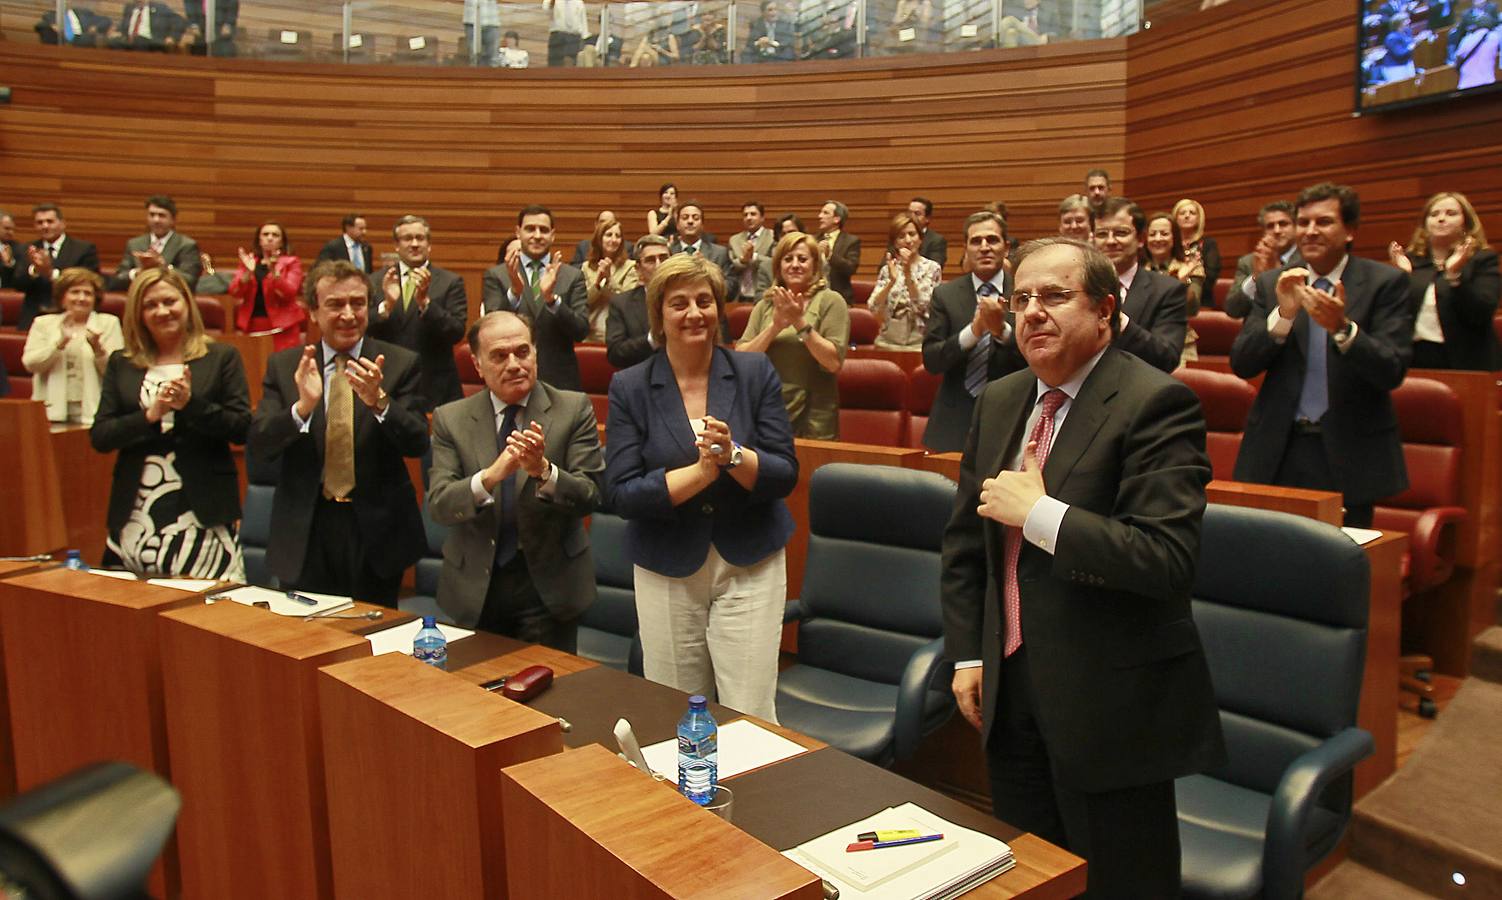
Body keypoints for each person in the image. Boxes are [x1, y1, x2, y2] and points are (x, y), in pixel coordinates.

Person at [941, 237, 1224, 898]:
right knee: (1034, 878)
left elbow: (1166, 559)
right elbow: (964, 547)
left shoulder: (1157, 402)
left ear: (1105, 312)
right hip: (1006, 694)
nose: (1033, 312)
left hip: (1109, 707)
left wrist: (1042, 516)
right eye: (1021, 299)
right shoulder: (1002, 399)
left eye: (1055, 296)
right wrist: (968, 656)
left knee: (1122, 885)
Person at [604, 254, 798, 721]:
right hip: (667, 564)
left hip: (749, 561)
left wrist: (732, 456)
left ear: (719, 308)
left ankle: (756, 795)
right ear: (659, 315)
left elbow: (784, 473)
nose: (694, 313)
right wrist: (699, 475)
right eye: (679, 303)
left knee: (748, 708)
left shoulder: (754, 374)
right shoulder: (630, 386)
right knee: (674, 708)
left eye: (704, 301)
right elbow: (621, 493)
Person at [247, 259, 429, 605]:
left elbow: (417, 441)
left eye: (357, 303)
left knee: (373, 639)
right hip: (306, 529)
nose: (348, 314)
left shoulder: (399, 363)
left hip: (377, 533)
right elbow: (259, 445)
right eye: (335, 304)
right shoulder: (286, 366)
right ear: (312, 312)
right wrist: (302, 407)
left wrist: (379, 402)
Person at [1230, 182, 1412, 527]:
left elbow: (1392, 369)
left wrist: (1342, 329)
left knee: (1341, 566)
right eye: (1304, 222)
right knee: (1272, 558)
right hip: (1278, 446)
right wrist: (1282, 317)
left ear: (1350, 231)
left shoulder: (1384, 283)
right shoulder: (1273, 283)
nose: (1310, 231)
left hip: (1350, 449)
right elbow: (1242, 363)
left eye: (1324, 222)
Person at [427, 311, 605, 647]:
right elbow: (440, 505)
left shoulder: (572, 408)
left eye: (522, 352)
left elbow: (591, 496)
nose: (514, 364)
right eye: (499, 356)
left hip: (548, 587)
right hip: (476, 584)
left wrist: (543, 471)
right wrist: (492, 476)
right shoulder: (452, 418)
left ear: (536, 353)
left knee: (547, 696)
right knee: (474, 694)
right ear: (477, 365)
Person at [90, 268, 250, 578]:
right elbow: (101, 436)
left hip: (202, 509)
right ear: (138, 313)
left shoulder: (221, 357)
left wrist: (190, 405)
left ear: (187, 303)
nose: (162, 311)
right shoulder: (121, 363)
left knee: (206, 610)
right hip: (137, 506)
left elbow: (241, 428)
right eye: (150, 305)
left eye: (169, 301)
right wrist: (150, 415)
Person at [922, 211, 1023, 452]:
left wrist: (1002, 332)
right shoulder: (945, 295)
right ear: (966, 249)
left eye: (992, 240)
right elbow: (931, 360)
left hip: (1011, 416)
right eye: (976, 241)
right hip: (953, 419)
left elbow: (1038, 359)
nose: (985, 247)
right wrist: (974, 331)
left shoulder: (1024, 292)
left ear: (1006, 247)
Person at [738, 232, 850, 439]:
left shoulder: (831, 301)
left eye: (802, 259)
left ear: (815, 266)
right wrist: (775, 327)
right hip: (769, 410)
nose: (795, 265)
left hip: (814, 415)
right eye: (788, 259)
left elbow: (833, 362)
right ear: (778, 266)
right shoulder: (765, 305)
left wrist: (799, 322)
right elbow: (743, 358)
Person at [1388, 191, 1500, 370]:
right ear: (1425, 225)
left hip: (1466, 361)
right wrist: (1403, 279)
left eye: (1451, 213)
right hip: (1415, 358)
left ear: (1466, 223)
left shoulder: (1482, 260)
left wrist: (1454, 276)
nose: (1441, 219)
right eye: (1434, 214)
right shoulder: (1411, 261)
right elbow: (1392, 318)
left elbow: (1481, 312)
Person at [482, 205, 590, 390]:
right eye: (530, 229)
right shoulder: (497, 275)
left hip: (559, 381)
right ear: (518, 232)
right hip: (510, 378)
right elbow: (491, 329)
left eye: (544, 230)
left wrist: (552, 300)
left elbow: (581, 330)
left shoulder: (572, 276)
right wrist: (514, 292)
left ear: (553, 235)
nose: (537, 235)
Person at [368, 215, 469, 412]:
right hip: (389, 382)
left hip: (435, 386)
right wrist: (386, 307)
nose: (414, 244)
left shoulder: (450, 281)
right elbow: (363, 328)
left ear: (429, 245)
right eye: (407, 238)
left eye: (420, 238)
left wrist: (426, 304)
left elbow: (456, 332)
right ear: (396, 245)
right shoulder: (375, 281)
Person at [1091, 197, 1188, 373]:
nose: (1111, 241)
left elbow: (1167, 358)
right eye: (1102, 234)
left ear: (1141, 239)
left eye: (1121, 233)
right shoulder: (1081, 288)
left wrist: (1117, 320)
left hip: (1134, 391)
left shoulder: (1168, 290)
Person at [22, 268, 124, 425]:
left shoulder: (108, 324)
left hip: (95, 412)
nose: (81, 298)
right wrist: (60, 343)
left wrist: (98, 350)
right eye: (75, 292)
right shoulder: (43, 324)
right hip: (48, 412)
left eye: (88, 293)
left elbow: (117, 374)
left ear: (95, 299)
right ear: (62, 297)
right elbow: (31, 364)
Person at [14, 204, 100, 331]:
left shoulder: (83, 249)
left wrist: (51, 273)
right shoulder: (26, 249)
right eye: (40, 222)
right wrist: (35, 270)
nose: (45, 226)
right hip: (33, 316)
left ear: (62, 223)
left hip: (71, 313)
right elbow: (17, 284)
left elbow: (90, 282)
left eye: (50, 221)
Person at [870, 212, 943, 350]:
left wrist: (908, 272)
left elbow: (923, 306)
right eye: (901, 236)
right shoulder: (888, 269)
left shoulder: (932, 268)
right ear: (895, 242)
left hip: (919, 341)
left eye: (912, 234)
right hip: (888, 340)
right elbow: (873, 307)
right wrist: (891, 282)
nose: (908, 240)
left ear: (921, 238)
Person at [228, 221, 305, 351]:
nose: (270, 238)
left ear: (282, 241)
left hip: (283, 327)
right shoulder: (249, 262)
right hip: (252, 324)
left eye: (275, 235)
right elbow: (235, 292)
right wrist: (247, 273)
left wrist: (275, 274)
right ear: (259, 240)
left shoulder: (292, 262)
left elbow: (290, 292)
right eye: (265, 234)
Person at [1143, 212, 1205, 364]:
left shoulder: (1191, 268)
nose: (1158, 239)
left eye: (1164, 234)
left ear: (1174, 238)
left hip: (1179, 344)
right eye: (1152, 234)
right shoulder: (1137, 270)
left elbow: (1193, 309)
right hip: (1142, 342)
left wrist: (1182, 284)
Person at [1223, 200, 1299, 319]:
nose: (1277, 230)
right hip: (1257, 332)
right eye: (1270, 226)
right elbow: (1233, 310)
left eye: (1283, 224)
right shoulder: (1248, 262)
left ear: (1295, 227)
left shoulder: (1308, 259)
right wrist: (1255, 278)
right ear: (1263, 232)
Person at [606, 235, 673, 368]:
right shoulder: (622, 304)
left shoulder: (692, 299)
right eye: (650, 260)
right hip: (642, 381)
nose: (659, 265)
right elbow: (615, 354)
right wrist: (652, 340)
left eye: (664, 258)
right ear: (638, 269)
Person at [109, 195, 201, 291]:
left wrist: (163, 267)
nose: (156, 220)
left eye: (162, 215)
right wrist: (137, 273)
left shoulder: (186, 245)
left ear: (173, 220)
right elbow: (119, 278)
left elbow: (190, 281)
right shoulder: (134, 244)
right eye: (152, 215)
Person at [582, 215, 640, 342]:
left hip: (620, 333)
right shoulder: (586, 267)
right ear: (599, 238)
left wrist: (609, 280)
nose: (613, 240)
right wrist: (597, 283)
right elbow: (583, 302)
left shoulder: (630, 267)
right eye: (608, 235)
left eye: (617, 236)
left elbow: (628, 302)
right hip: (591, 334)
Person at [669, 201, 735, 290]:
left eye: (695, 218)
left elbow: (731, 286)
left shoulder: (720, 253)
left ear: (702, 225)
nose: (690, 221)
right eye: (685, 218)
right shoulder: (668, 253)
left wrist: (707, 270)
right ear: (677, 225)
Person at [728, 202, 776, 304]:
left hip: (763, 294)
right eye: (745, 215)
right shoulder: (734, 240)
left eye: (753, 214)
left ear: (762, 217)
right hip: (739, 297)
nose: (748, 218)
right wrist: (743, 260)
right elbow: (730, 266)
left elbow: (775, 262)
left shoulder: (772, 237)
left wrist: (753, 257)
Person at [815, 200, 861, 303]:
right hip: (815, 297)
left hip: (841, 298)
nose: (819, 216)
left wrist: (830, 255)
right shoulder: (813, 240)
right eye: (820, 212)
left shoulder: (851, 241)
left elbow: (851, 268)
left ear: (836, 219)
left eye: (825, 213)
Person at [1172, 197, 1222, 285]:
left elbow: (1212, 276)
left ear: (1199, 218)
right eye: (1182, 213)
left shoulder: (1208, 244)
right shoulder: (1170, 243)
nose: (1187, 216)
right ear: (1175, 218)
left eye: (1192, 213)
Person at [113, 1, 185, 50]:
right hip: (128, 44)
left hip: (151, 44)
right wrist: (117, 31)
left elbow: (180, 21)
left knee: (139, 40)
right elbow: (124, 25)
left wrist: (172, 38)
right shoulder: (129, 8)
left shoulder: (160, 8)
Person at [902, 197, 949, 268]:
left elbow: (934, 270)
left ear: (927, 218)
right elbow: (884, 266)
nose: (911, 217)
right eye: (909, 212)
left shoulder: (936, 240)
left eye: (917, 213)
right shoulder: (899, 237)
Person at [544, 0, 587, 65]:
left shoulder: (578, 2)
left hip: (574, 37)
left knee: (572, 65)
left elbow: (583, 21)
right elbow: (546, 9)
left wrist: (584, 38)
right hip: (557, 36)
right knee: (554, 66)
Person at [463, 0, 501, 65]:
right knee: (473, 57)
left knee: (492, 57)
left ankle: (492, 74)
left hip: (491, 21)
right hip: (471, 21)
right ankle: (474, 74)